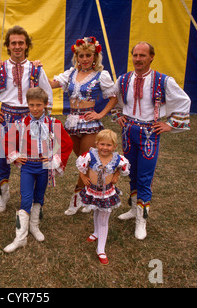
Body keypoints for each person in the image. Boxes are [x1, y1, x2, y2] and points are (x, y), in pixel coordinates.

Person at [113, 42, 191, 240]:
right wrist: (117, 115)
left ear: (151, 57)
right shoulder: (123, 79)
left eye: (142, 55)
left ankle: (141, 221)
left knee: (145, 178)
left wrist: (170, 124)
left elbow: (184, 100)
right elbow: (114, 98)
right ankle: (133, 210)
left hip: (149, 132)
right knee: (131, 172)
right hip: (128, 130)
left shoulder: (163, 80)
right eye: (135, 55)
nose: (138, 59)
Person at [0, 25, 54, 213]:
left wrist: (43, 115)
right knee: (5, 158)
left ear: (27, 45)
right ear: (8, 45)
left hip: (30, 117)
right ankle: (3, 195)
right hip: (7, 116)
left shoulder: (36, 68)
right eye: (13, 43)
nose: (17, 46)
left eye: (21, 42)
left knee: (32, 158)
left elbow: (46, 92)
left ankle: (30, 197)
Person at [49, 36, 118, 216]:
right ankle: (92, 192)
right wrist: (35, 71)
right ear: (76, 57)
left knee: (87, 162)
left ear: (95, 57)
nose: (85, 59)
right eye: (81, 55)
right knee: (82, 161)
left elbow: (113, 97)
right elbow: (51, 84)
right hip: (71, 123)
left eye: (88, 55)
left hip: (89, 123)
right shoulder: (70, 74)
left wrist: (101, 114)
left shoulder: (101, 75)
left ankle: (77, 198)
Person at [2, 87, 73, 253]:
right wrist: (15, 156)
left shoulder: (53, 123)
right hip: (28, 166)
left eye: (39, 105)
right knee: (26, 198)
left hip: (45, 166)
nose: (35, 108)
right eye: (32, 105)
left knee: (39, 196)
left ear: (46, 104)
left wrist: (54, 158)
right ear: (27, 104)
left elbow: (67, 144)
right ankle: (20, 238)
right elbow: (7, 141)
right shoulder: (20, 123)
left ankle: (34, 227)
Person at [76, 129, 130, 265]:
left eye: (108, 145)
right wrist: (84, 176)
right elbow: (81, 167)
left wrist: (116, 175)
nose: (105, 148)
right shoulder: (90, 155)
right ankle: (96, 232)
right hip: (93, 191)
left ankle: (101, 249)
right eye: (102, 144)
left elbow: (121, 169)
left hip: (107, 193)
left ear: (114, 146)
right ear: (96, 144)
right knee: (96, 210)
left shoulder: (118, 159)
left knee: (104, 219)